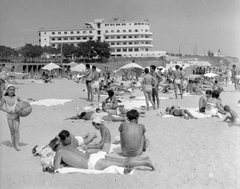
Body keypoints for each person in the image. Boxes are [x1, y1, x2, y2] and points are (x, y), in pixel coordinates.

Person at [44, 138, 154, 173]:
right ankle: (144, 158)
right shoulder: (68, 147)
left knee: (124, 163)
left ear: (54, 148)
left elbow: (56, 168)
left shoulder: (59, 152)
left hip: (93, 163)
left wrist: (50, 168)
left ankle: (146, 162)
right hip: (94, 157)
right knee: (123, 160)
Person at [0, 84, 22, 151]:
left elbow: (23, 104)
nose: (12, 91)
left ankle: (17, 145)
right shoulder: (4, 98)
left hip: (16, 116)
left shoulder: (17, 97)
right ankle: (14, 144)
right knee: (12, 132)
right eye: (10, 90)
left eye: (13, 90)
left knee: (17, 130)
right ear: (7, 91)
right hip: (9, 116)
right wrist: (7, 111)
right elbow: (0, 107)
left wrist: (21, 110)